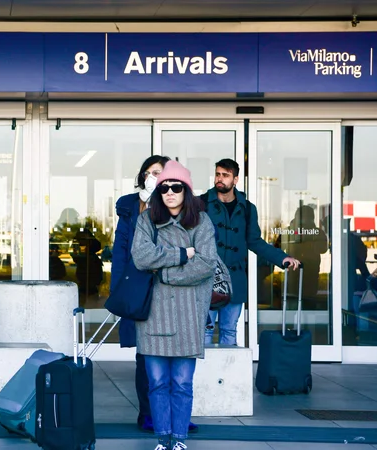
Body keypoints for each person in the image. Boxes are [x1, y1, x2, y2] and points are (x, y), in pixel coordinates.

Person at [132, 160, 220, 450]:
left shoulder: (202, 222)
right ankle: (162, 439)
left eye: (176, 187)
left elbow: (206, 264)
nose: (170, 192)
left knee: (182, 383)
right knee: (157, 383)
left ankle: (179, 439)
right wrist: (183, 254)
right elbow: (141, 258)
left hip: (188, 313)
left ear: (187, 191)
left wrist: (165, 272)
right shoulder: (146, 220)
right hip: (154, 315)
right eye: (164, 187)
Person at [112, 155, 195, 435]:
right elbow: (121, 253)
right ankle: (148, 414)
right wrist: (119, 292)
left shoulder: (181, 207)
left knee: (178, 355)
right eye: (148, 173)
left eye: (157, 172)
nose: (152, 177)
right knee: (146, 356)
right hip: (140, 288)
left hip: (173, 288)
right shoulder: (130, 208)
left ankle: (177, 416)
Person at [202, 158, 300, 345]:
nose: (219, 179)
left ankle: (227, 374)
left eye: (225, 175)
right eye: (217, 174)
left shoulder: (247, 209)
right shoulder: (201, 204)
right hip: (206, 280)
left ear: (236, 179)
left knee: (229, 331)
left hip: (235, 281)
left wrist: (282, 258)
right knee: (204, 332)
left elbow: (255, 242)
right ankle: (201, 375)